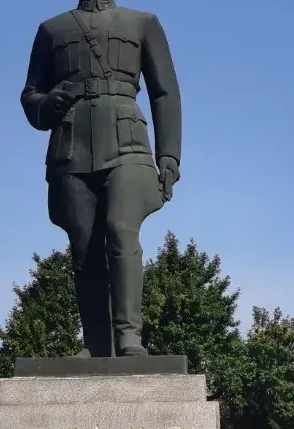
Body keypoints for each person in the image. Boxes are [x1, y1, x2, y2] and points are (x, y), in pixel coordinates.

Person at [20, 0, 182, 357]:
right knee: (84, 247)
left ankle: (129, 337)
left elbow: (164, 92)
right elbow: (30, 95)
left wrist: (169, 155)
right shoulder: (51, 30)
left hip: (128, 144)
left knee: (121, 229)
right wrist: (46, 104)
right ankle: (95, 344)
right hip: (71, 147)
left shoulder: (142, 23)